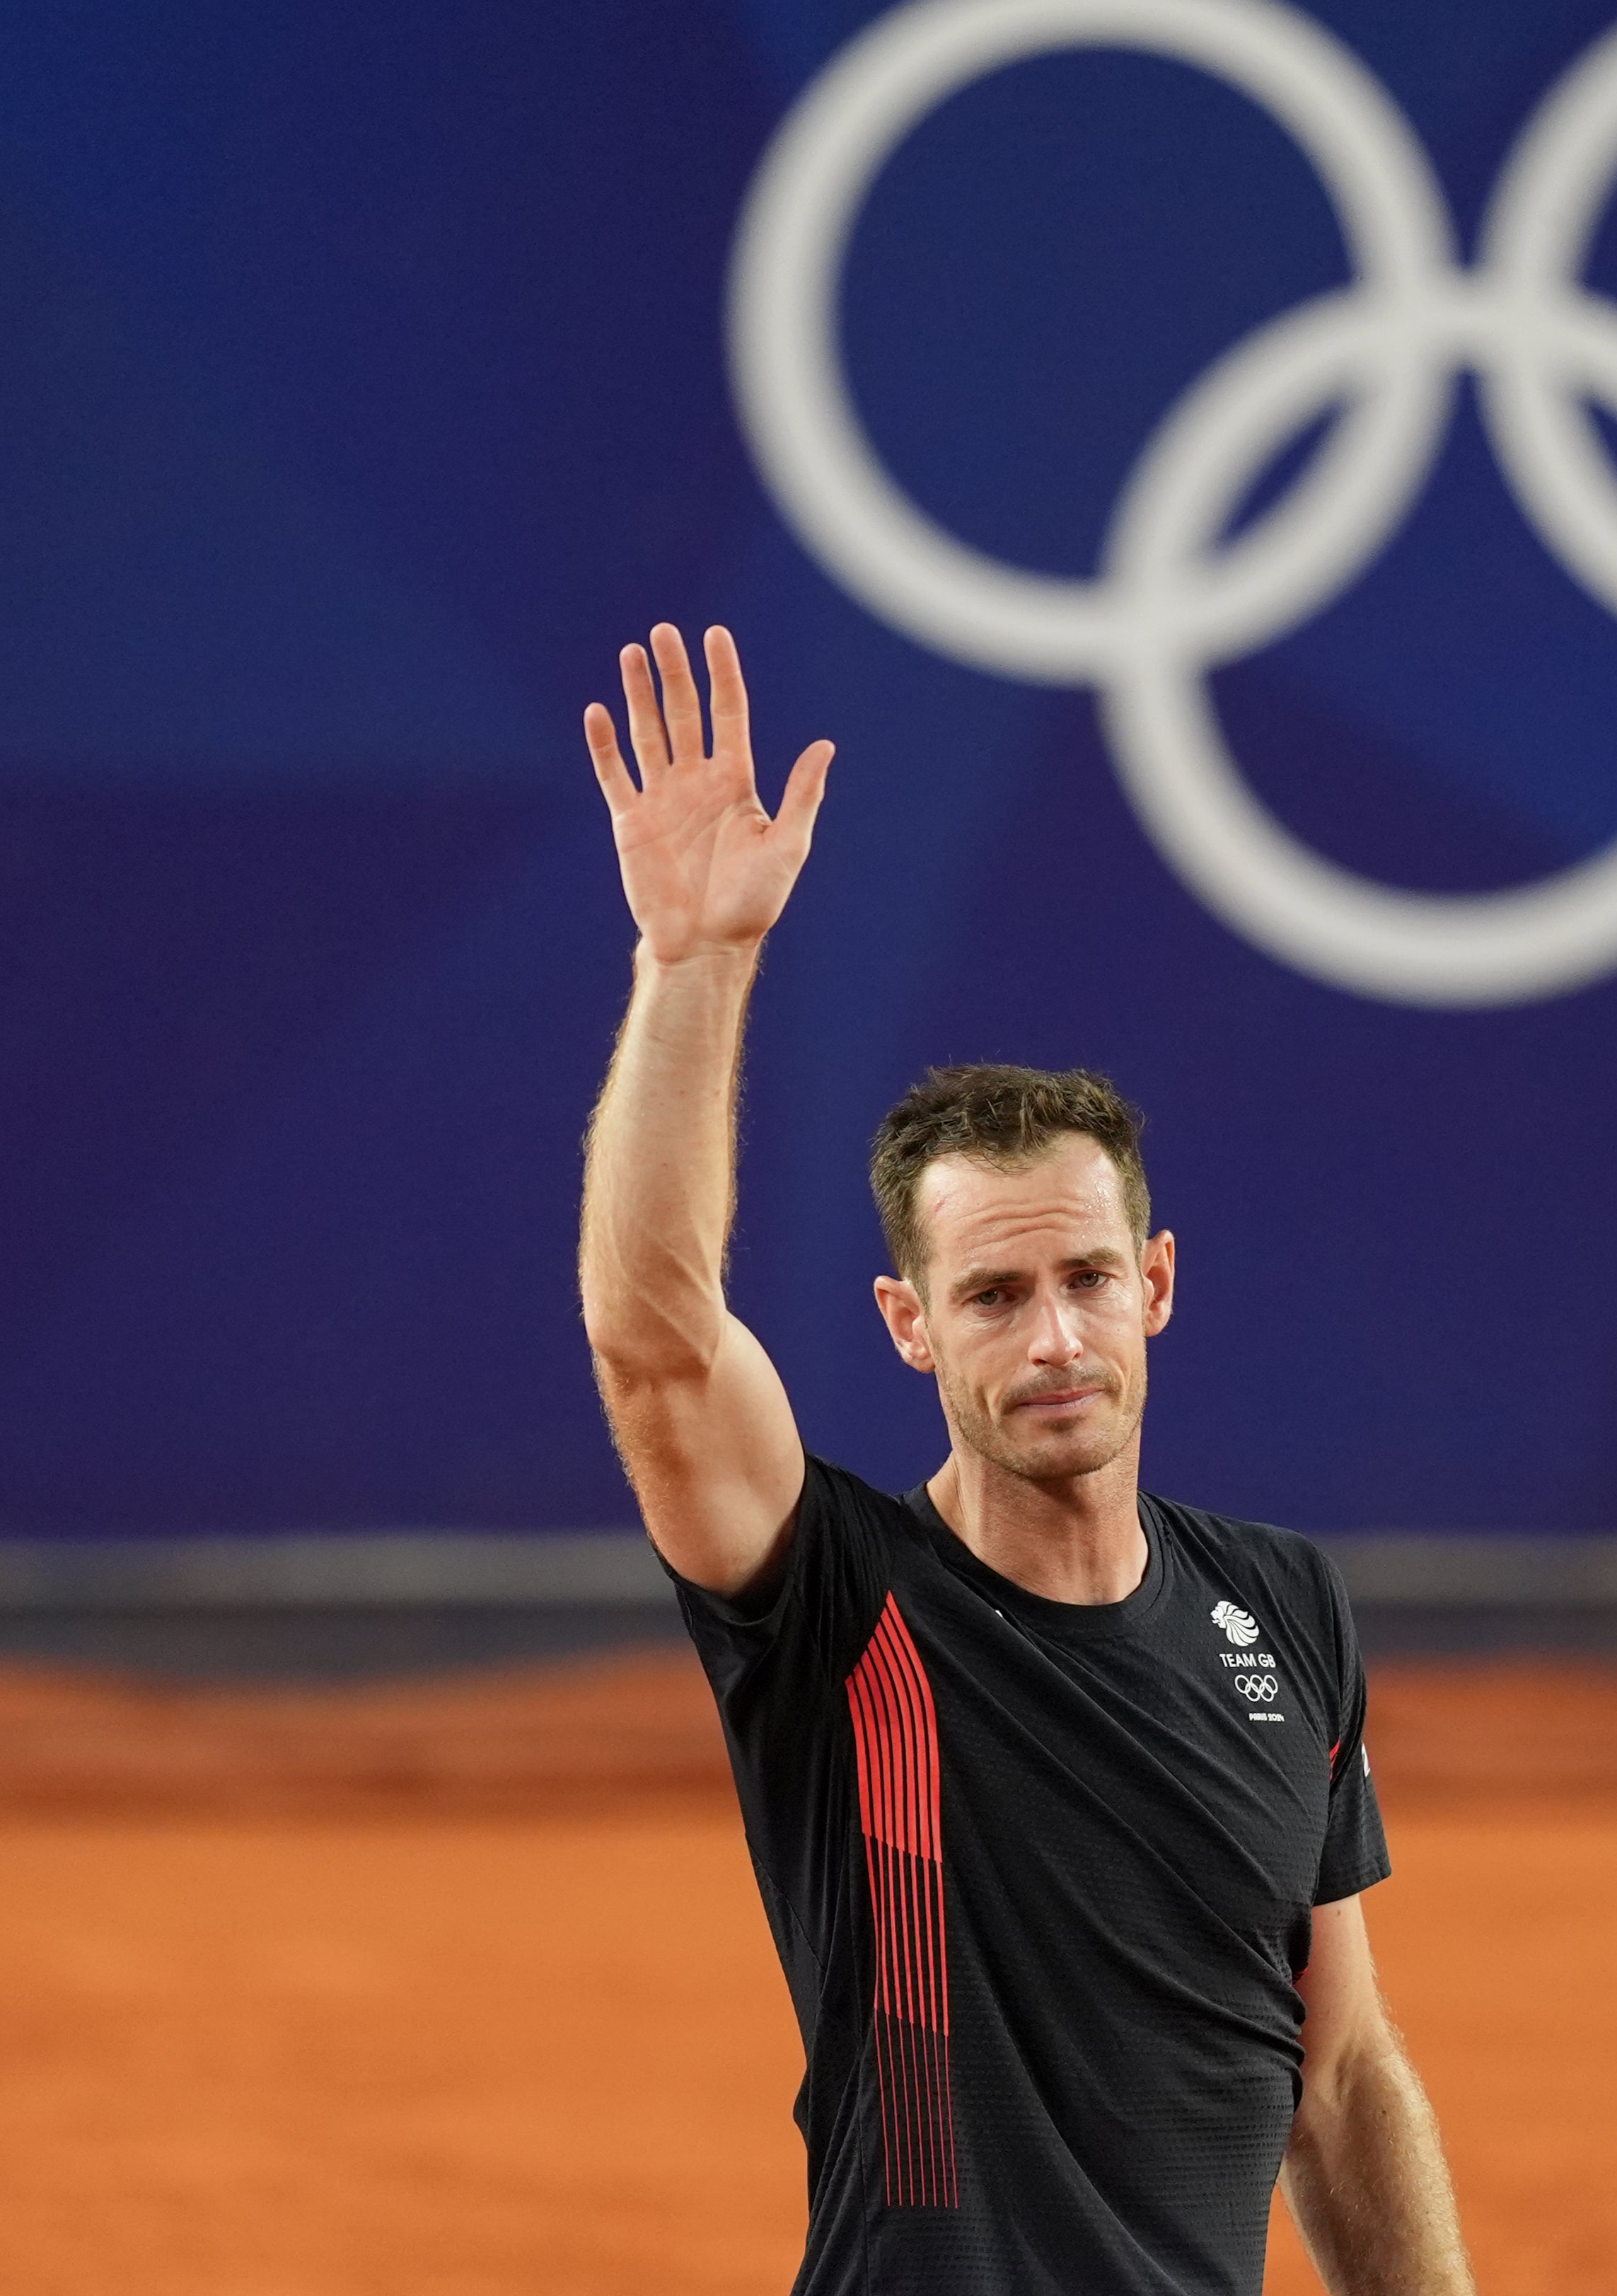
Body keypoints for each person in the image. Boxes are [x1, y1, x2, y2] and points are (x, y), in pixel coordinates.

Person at [576, 622, 1478, 2296]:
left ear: (1157, 1285)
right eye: (992, 1294)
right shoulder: (837, 1604)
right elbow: (655, 1342)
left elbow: (1340, 2077)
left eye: (1084, 1281)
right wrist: (692, 966)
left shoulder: (1281, 1605)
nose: (1054, 1339)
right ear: (909, 1326)